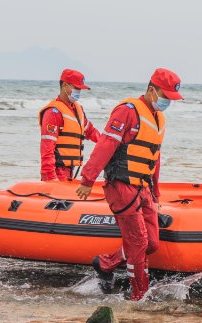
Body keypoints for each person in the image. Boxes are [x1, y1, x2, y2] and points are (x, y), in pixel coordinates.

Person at [76, 68, 183, 300]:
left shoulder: (159, 118)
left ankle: (106, 264)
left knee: (151, 243)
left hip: (144, 187)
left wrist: (155, 193)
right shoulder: (127, 111)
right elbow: (105, 144)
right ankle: (139, 296)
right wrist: (88, 179)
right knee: (138, 243)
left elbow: (155, 158)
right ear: (152, 90)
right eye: (165, 97)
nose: (167, 103)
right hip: (122, 185)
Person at [38, 69, 101, 181]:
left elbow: (91, 131)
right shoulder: (53, 112)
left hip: (70, 170)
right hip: (57, 171)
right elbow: (47, 147)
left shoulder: (77, 109)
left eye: (80, 89)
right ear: (65, 86)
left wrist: (108, 144)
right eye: (76, 88)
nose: (79, 92)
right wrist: (50, 176)